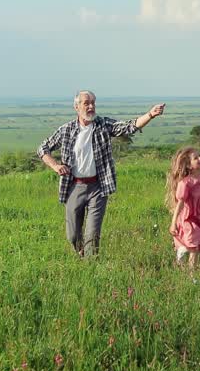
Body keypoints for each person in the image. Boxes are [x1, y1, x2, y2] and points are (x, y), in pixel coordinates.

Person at [37, 90, 165, 257]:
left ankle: (91, 264)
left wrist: (150, 114)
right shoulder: (66, 130)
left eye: (93, 103)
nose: (91, 107)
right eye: (86, 103)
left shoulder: (103, 125)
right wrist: (55, 165)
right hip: (74, 186)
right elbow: (43, 148)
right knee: (73, 236)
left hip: (98, 187)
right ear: (76, 107)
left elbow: (129, 126)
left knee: (92, 236)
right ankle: (80, 254)